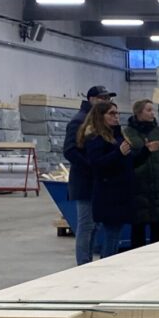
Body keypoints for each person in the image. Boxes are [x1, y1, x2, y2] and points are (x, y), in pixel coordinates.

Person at [63, 85, 117, 265]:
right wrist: (92, 165)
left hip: (99, 182)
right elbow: (69, 151)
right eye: (103, 98)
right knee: (86, 226)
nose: (106, 101)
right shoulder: (79, 121)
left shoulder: (100, 121)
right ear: (91, 99)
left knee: (95, 225)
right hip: (85, 182)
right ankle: (83, 264)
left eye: (108, 98)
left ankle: (89, 263)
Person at [77, 101, 136, 258]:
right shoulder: (95, 138)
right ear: (100, 116)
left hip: (121, 192)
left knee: (115, 233)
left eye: (117, 113)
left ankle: (109, 261)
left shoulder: (117, 135)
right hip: (108, 193)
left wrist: (146, 152)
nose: (116, 117)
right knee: (111, 234)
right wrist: (118, 153)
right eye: (111, 113)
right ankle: (106, 263)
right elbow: (97, 164)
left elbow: (129, 161)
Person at [125, 99, 159, 248]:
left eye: (153, 110)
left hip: (158, 188)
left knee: (158, 231)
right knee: (137, 231)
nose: (153, 113)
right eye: (148, 110)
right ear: (138, 113)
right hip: (137, 188)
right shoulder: (127, 133)